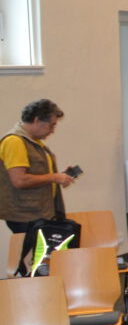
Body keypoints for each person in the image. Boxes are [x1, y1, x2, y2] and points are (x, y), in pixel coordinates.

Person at [1, 99, 75, 234]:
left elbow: (37, 173)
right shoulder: (14, 142)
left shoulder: (33, 142)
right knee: (33, 249)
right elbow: (20, 180)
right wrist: (53, 177)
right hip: (26, 216)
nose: (52, 131)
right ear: (37, 120)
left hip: (39, 212)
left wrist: (59, 176)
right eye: (51, 125)